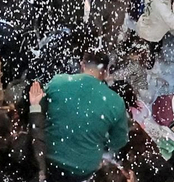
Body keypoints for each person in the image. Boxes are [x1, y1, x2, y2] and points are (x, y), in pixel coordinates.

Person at [39, 51, 131, 182]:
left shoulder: (58, 82)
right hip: (84, 169)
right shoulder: (115, 102)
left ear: (82, 65)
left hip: (48, 157)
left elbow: (37, 112)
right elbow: (119, 141)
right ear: (105, 72)